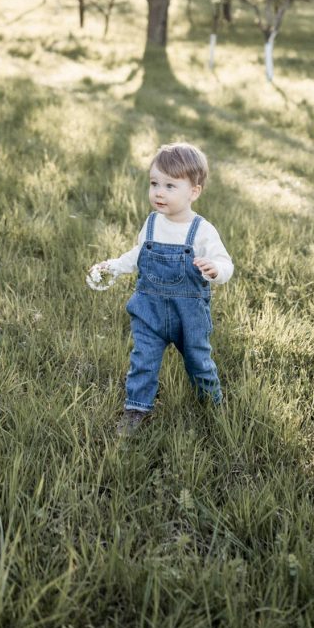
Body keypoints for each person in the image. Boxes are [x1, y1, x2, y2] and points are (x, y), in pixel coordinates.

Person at [92, 142, 233, 436]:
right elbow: (139, 254)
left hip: (189, 315)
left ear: (193, 192)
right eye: (154, 183)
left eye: (170, 186)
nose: (159, 192)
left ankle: (211, 404)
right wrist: (115, 266)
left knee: (199, 361)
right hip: (149, 310)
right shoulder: (152, 223)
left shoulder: (202, 230)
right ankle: (137, 408)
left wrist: (216, 269)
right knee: (142, 359)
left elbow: (225, 263)